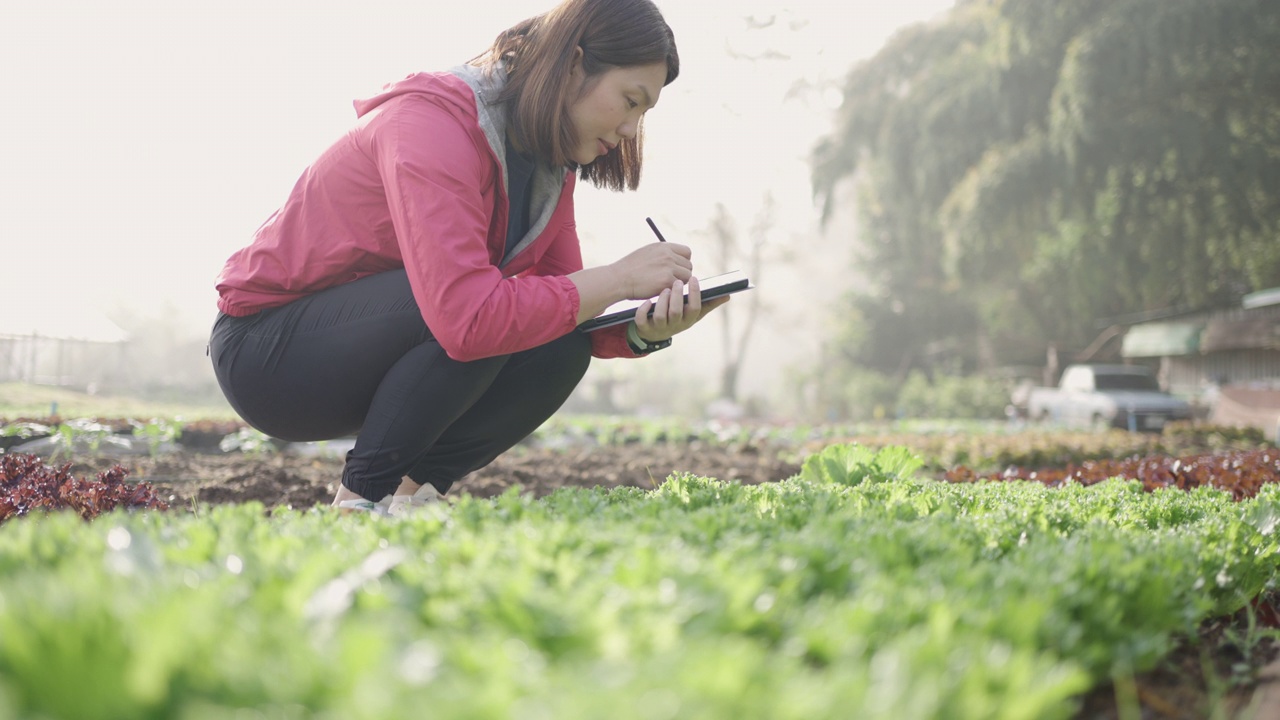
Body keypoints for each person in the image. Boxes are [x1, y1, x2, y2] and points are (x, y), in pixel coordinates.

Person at [208, 0, 727, 514]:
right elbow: (467, 318)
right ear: (574, 65)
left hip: (382, 344)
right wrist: (617, 278)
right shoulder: (430, 126)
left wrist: (643, 329)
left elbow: (562, 305)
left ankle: (412, 497)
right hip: (268, 354)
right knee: (478, 309)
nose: (631, 131)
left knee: (559, 347)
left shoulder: (550, 165)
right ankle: (360, 502)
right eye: (631, 101)